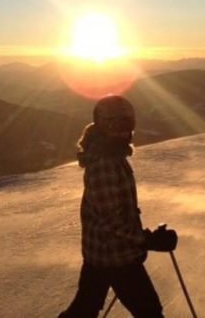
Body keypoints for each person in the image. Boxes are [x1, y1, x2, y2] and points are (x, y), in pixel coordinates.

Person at [59, 95, 177, 318]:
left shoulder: (111, 155)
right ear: (103, 126)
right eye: (115, 124)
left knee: (84, 310)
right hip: (116, 257)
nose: (123, 131)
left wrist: (145, 238)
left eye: (127, 124)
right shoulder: (106, 164)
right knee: (150, 313)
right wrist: (148, 239)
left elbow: (115, 214)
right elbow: (113, 220)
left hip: (100, 254)